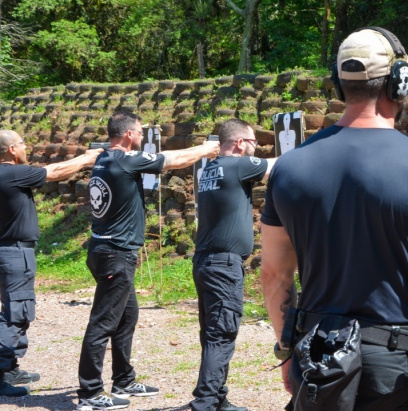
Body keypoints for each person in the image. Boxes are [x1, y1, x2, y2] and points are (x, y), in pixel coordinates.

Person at [260, 26, 408, 410]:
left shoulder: (288, 168)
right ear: (398, 83)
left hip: (318, 356)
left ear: (340, 84)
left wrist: (288, 351)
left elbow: (274, 275)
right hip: (394, 367)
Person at [77, 112, 219, 410]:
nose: (142, 136)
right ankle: (89, 392)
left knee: (127, 316)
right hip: (116, 253)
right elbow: (173, 160)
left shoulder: (104, 158)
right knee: (103, 323)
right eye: (140, 132)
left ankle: (123, 379)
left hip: (107, 250)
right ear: (129, 134)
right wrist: (206, 149)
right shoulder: (125, 159)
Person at [0, 131, 102, 398]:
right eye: (22, 143)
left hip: (7, 251)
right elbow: (55, 172)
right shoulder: (12, 173)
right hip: (15, 253)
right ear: (11, 149)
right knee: (16, 313)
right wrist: (87, 158)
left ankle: (9, 368)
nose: (26, 147)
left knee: (16, 310)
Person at [191, 119, 276, 411]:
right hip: (223, 266)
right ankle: (205, 402)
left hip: (206, 261)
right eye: (253, 142)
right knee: (222, 334)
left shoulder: (210, 169)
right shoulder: (237, 165)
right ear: (240, 143)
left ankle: (217, 398)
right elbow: (278, 166)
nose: (256, 148)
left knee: (213, 334)